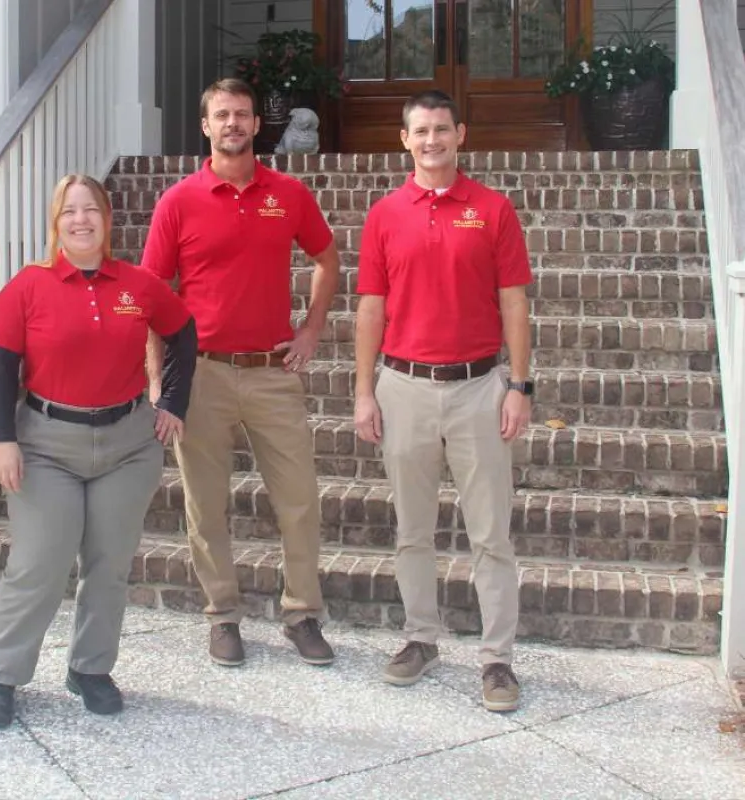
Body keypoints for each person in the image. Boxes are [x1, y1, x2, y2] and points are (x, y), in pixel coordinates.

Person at [0, 174, 196, 729]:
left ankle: (91, 669)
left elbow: (184, 331)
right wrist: (2, 439)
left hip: (127, 444)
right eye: (69, 211)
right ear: (56, 223)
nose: (81, 219)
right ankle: (0, 674)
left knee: (109, 563)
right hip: (46, 444)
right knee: (39, 561)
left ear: (107, 218)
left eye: (91, 209)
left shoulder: (137, 285)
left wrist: (172, 402)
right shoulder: (28, 286)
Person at [140, 78, 341, 668]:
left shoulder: (288, 194)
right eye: (222, 115)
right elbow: (152, 296)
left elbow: (327, 260)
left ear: (257, 126)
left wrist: (310, 329)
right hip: (200, 374)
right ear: (205, 126)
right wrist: (157, 382)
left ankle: (303, 614)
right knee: (206, 505)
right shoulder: (178, 201)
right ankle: (223, 616)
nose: (233, 123)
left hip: (273, 372)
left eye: (243, 115)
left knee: (299, 500)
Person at [353, 89, 532, 712]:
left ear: (461, 134)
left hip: (480, 388)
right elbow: (371, 307)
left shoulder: (493, 209)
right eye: (420, 132)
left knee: (490, 533)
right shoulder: (384, 215)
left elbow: (513, 300)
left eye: (442, 130)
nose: (432, 141)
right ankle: (420, 638)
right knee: (413, 530)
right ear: (405, 140)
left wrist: (519, 384)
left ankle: (497, 660)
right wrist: (363, 391)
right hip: (402, 388)